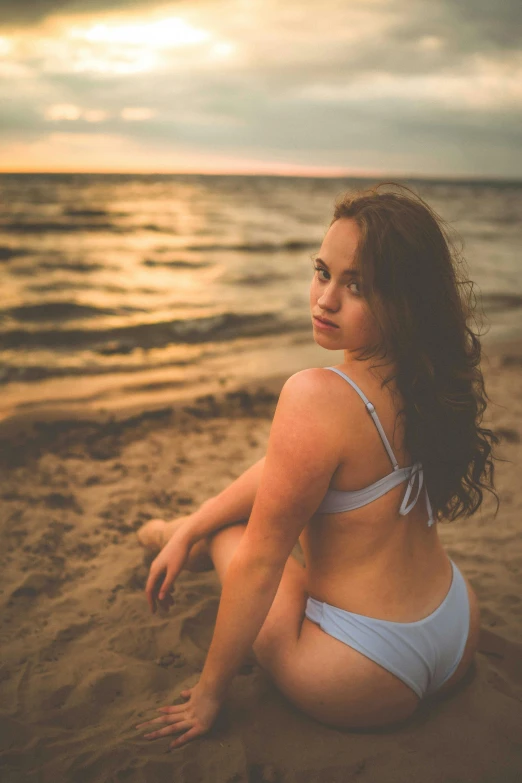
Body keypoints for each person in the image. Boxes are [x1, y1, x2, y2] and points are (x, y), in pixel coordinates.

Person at [135, 182, 499, 750]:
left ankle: (176, 533)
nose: (325, 299)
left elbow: (261, 561)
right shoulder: (430, 378)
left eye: (357, 285)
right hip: (455, 627)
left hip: (365, 668)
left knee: (238, 538)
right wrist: (199, 519)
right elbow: (289, 469)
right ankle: (183, 529)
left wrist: (208, 696)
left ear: (404, 299)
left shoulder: (316, 395)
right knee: (226, 519)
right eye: (322, 271)